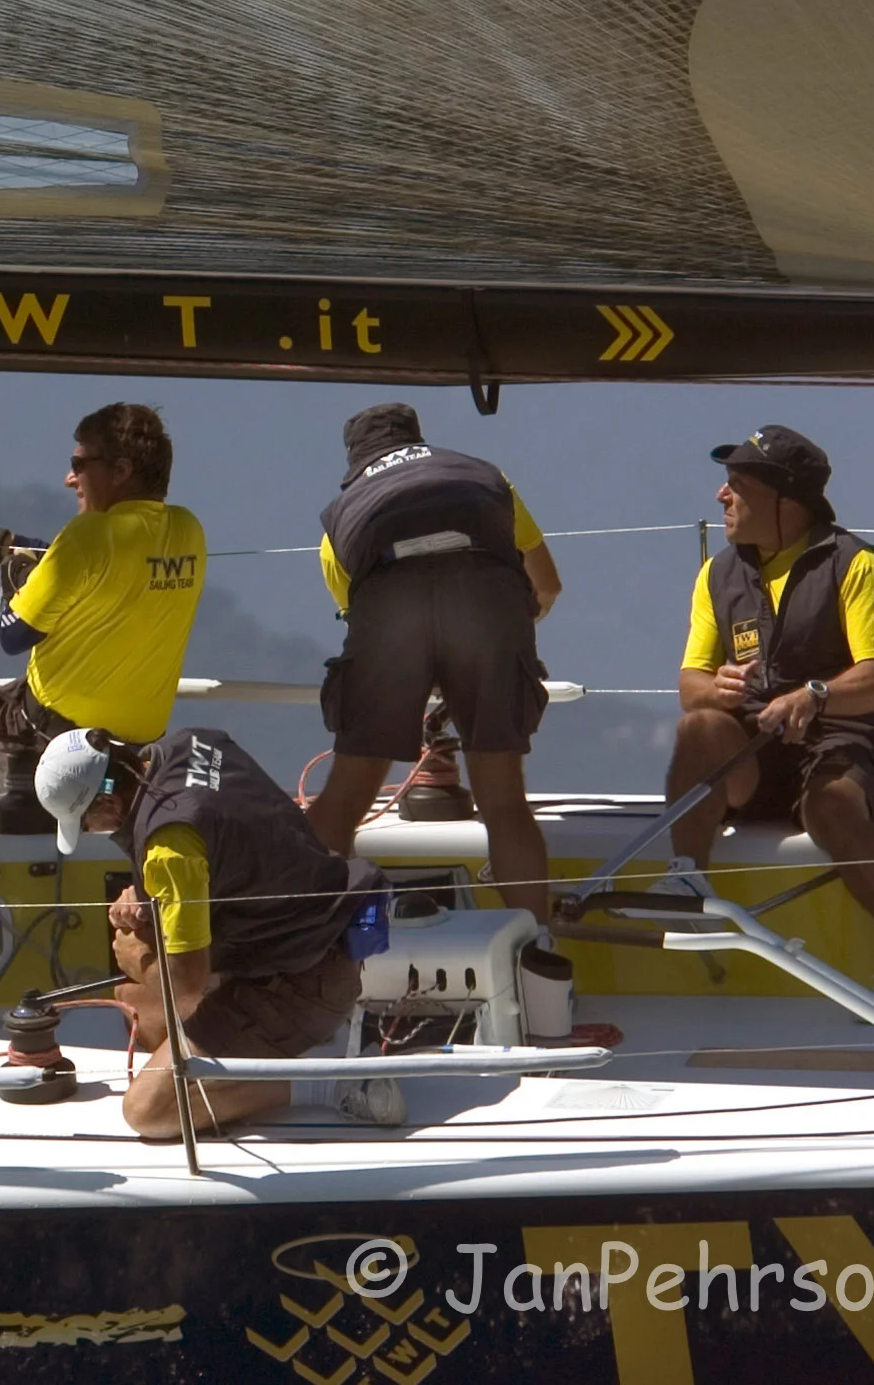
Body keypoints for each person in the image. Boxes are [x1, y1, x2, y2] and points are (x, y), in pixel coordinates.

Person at [657, 425, 874, 1013]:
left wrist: (816, 695)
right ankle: (687, 881)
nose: (721, 495)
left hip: (842, 736)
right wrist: (715, 689)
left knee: (831, 807)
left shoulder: (855, 564)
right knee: (699, 727)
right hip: (757, 746)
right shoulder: (716, 575)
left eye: (737, 484)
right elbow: (690, 688)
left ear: (786, 500)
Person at [34, 726, 393, 1137]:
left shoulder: (170, 849)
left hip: (302, 985)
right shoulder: (189, 742)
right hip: (313, 934)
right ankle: (220, 1068)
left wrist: (139, 960)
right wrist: (146, 896)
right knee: (136, 1000)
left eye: (87, 823)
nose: (93, 832)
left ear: (109, 803)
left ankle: (329, 1083)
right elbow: (231, 841)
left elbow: (186, 988)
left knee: (146, 1112)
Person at [303, 404, 563, 920]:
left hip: (390, 608)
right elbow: (547, 586)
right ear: (418, 441)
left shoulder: (339, 519)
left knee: (346, 794)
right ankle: (537, 943)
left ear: (357, 461)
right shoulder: (486, 478)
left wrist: (427, 667)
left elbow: (360, 619)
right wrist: (497, 642)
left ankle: (313, 945)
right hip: (489, 604)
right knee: (503, 800)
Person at [0, 403, 205, 796]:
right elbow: (93, 568)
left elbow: (14, 636)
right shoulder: (187, 529)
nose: (69, 479)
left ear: (121, 470)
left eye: (79, 465)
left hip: (40, 750)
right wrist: (11, 544)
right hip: (131, 759)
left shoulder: (88, 534)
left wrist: (15, 577)